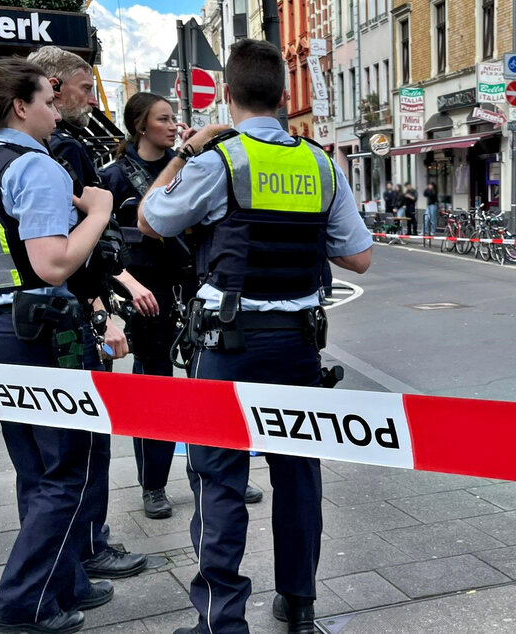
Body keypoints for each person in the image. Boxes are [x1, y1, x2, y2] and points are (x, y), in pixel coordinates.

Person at [139, 38, 372, 634]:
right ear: (285, 96)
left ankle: (222, 620)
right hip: (298, 345)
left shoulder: (220, 160)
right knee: (298, 474)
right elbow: (360, 256)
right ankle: (299, 604)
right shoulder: (320, 163)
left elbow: (151, 217)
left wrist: (186, 148)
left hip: (230, 345)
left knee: (219, 475)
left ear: (229, 94)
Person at [0, 58, 115, 634]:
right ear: (21, 106)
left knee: (35, 471)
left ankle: (61, 583)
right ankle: (21, 603)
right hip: (38, 331)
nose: (54, 109)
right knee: (66, 472)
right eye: (47, 100)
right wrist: (100, 211)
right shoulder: (34, 167)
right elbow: (54, 262)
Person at [99, 93, 263, 518]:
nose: (173, 125)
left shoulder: (192, 164)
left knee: (207, 385)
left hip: (192, 285)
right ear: (141, 125)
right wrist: (127, 285)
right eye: (164, 118)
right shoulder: (114, 176)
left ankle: (220, 474)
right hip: (148, 293)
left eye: (175, 119)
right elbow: (102, 247)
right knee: (153, 389)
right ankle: (153, 484)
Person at [28, 45, 147, 579]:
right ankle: (88, 545)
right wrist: (104, 314)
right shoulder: (63, 154)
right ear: (53, 85)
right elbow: (81, 248)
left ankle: (64, 554)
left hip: (21, 318)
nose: (86, 97)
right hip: (71, 317)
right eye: (82, 86)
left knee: (45, 453)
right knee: (86, 435)